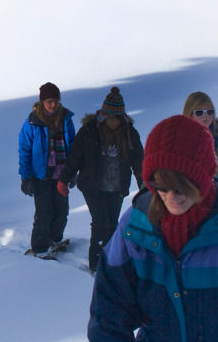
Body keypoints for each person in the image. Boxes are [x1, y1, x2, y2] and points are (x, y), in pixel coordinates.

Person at [89, 115, 218, 341]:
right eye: (161, 187)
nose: (171, 198)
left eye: (180, 188)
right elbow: (109, 312)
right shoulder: (135, 229)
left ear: (203, 179)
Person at [57, 87, 144, 272]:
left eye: (117, 118)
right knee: (100, 223)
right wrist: (63, 180)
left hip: (117, 186)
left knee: (112, 225)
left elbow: (139, 162)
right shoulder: (89, 131)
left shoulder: (129, 133)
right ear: (104, 115)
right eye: (110, 117)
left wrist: (144, 186)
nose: (114, 122)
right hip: (92, 186)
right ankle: (96, 265)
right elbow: (75, 158)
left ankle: (111, 262)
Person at [19, 82, 76, 258]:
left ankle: (54, 239)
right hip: (40, 176)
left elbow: (74, 147)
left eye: (56, 101)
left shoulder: (66, 120)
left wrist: (73, 172)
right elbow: (25, 150)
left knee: (61, 211)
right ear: (42, 101)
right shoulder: (32, 122)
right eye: (49, 101)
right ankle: (39, 248)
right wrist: (26, 177)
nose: (53, 105)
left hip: (61, 174)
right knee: (44, 213)